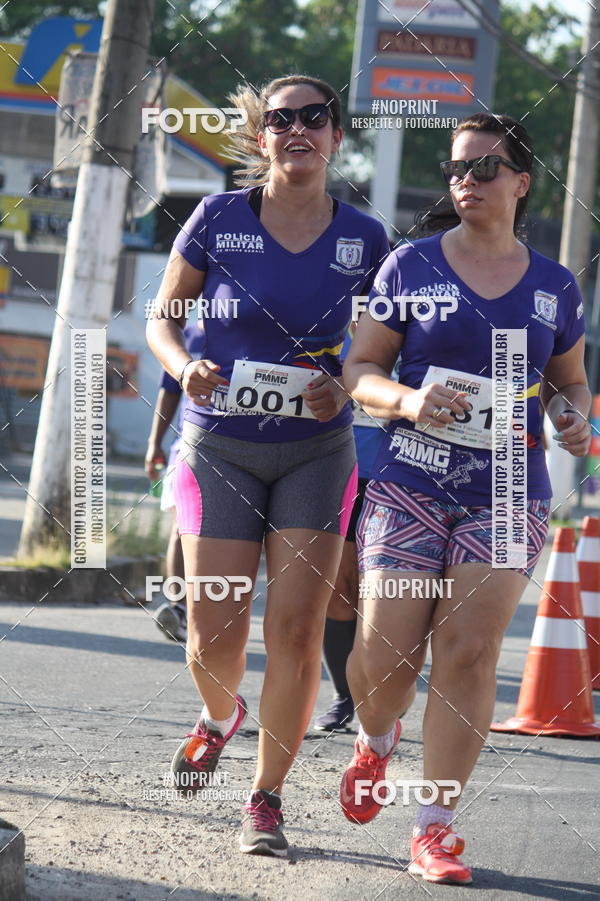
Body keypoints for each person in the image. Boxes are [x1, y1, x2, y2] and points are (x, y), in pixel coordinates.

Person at [341, 113, 590, 884]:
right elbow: (360, 371)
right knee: (383, 662)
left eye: (485, 169)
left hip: (508, 487)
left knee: (469, 650)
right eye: (456, 169)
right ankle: (376, 742)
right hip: (408, 476)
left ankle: (435, 825)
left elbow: (568, 380)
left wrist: (571, 415)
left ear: (520, 181)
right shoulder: (410, 265)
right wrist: (411, 402)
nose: (466, 182)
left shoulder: (554, 287)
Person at [146, 74, 389, 857]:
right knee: (213, 633)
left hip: (318, 450)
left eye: (314, 119)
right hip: (218, 445)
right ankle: (220, 718)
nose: (298, 130)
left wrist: (343, 381)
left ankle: (265, 798)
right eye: (281, 120)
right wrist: (184, 368)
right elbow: (163, 318)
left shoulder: (366, 238)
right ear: (262, 137)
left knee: (295, 630)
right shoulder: (218, 218)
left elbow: (382, 348)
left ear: (336, 136)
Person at [145, 324, 206, 642]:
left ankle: (216, 611)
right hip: (187, 446)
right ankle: (177, 606)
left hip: (243, 448)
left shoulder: (256, 325)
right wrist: (154, 442)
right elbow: (169, 389)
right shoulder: (184, 336)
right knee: (180, 528)